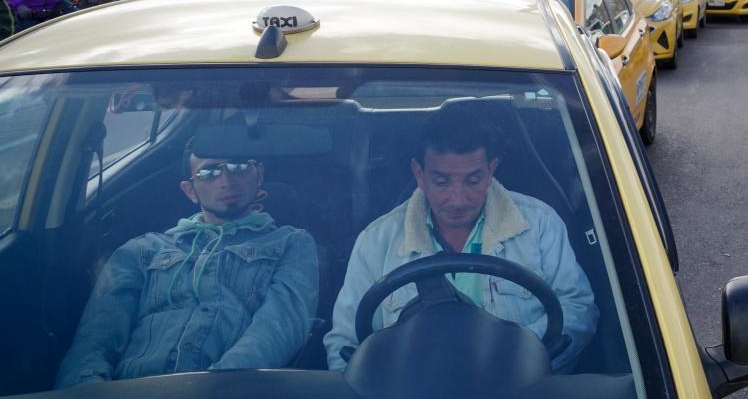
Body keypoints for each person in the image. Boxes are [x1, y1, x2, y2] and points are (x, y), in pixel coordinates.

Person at [325, 108, 597, 372]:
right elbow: (346, 343)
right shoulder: (376, 241)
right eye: (442, 182)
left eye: (473, 180)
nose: (457, 200)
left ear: (491, 169)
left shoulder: (540, 225)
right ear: (419, 173)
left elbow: (578, 309)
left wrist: (519, 359)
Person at [55, 140, 319, 388]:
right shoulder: (141, 250)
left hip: (228, 391)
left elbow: (278, 330)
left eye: (239, 166)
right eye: (209, 173)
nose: (226, 181)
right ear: (190, 190)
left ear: (258, 174)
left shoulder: (291, 244)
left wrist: (212, 389)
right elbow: (93, 343)